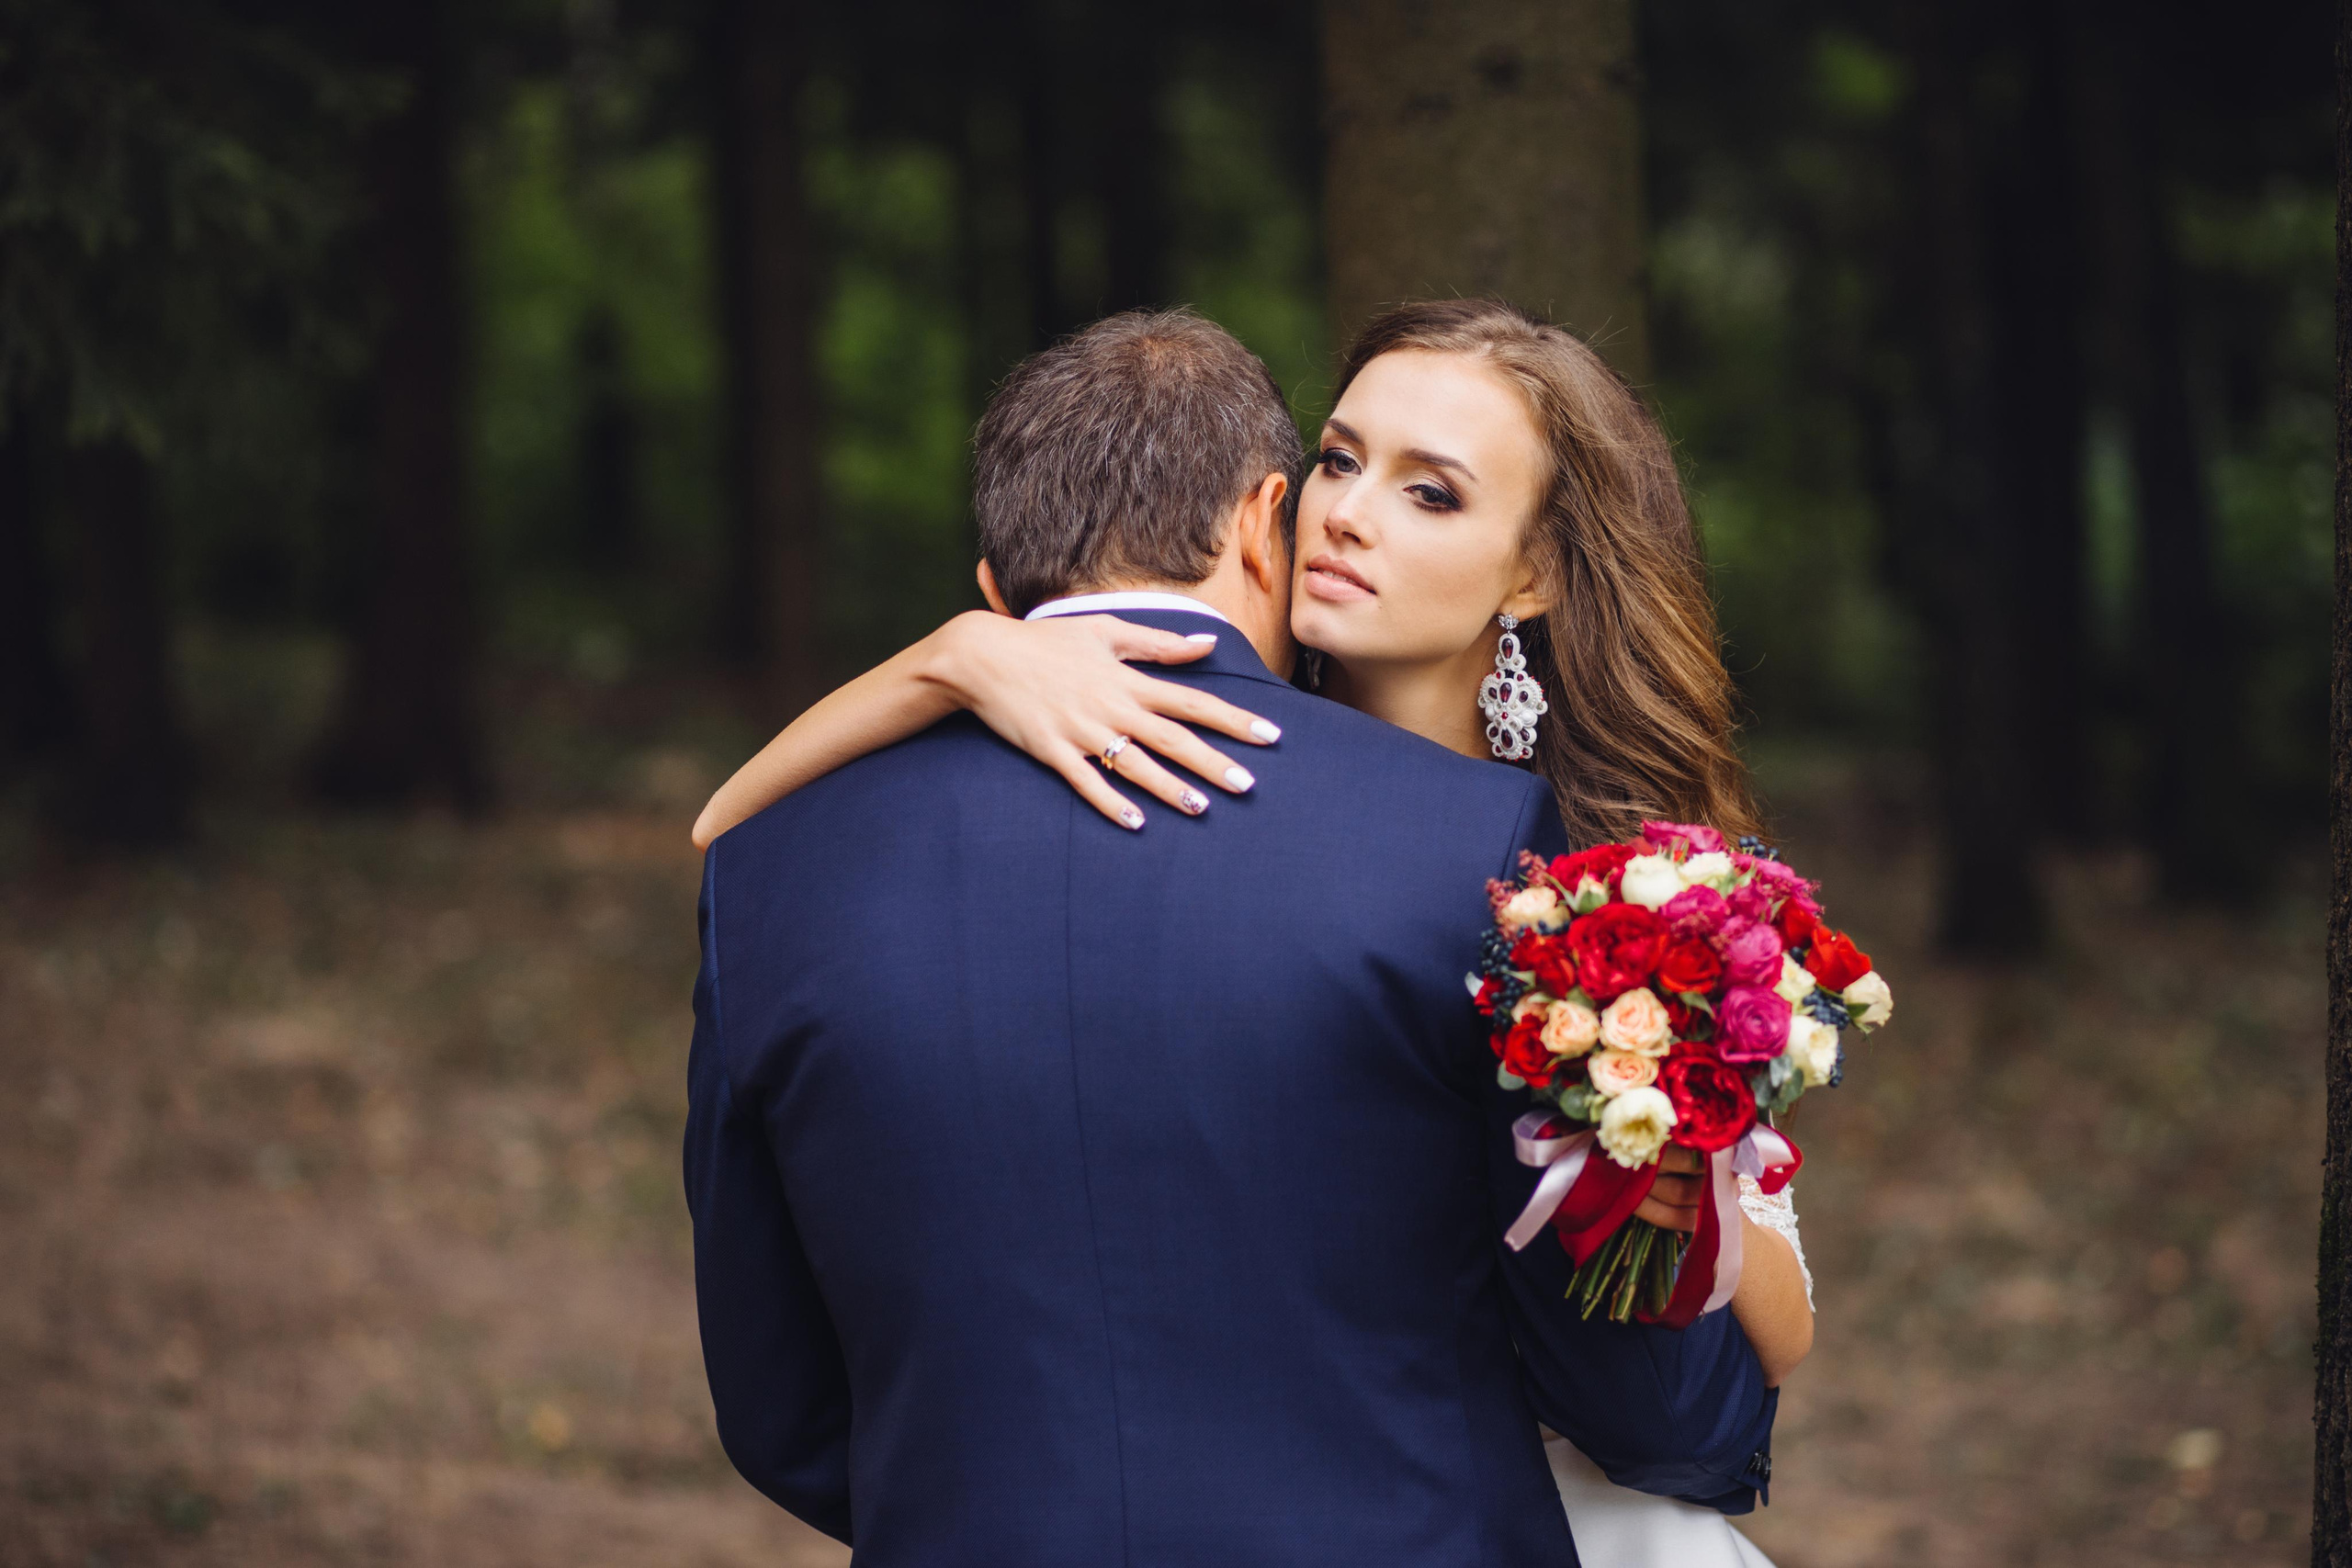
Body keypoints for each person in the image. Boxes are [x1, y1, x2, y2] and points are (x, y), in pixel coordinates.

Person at [685, 305, 1794, 1567]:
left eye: (1430, 491)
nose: (1352, 517)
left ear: (994, 587)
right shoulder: (1470, 858)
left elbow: (777, 1405)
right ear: (1270, 518)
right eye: (1338, 463)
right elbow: (1633, 1390)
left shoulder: (772, 870)